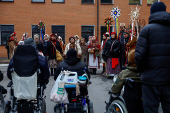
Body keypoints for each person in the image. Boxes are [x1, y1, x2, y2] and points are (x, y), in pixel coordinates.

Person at [135, 2, 170, 113]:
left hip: (150, 79)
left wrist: (141, 70)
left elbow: (139, 55)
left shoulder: (147, 30)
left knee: (150, 110)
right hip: (168, 79)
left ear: (152, 12)